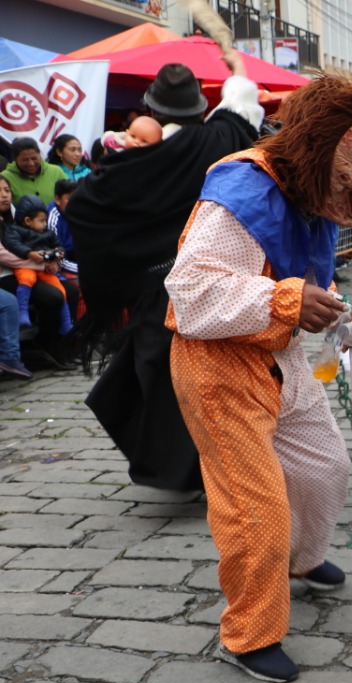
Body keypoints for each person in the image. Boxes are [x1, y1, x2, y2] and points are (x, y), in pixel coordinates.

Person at [164, 75, 352, 683]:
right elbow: (190, 292)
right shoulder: (243, 191)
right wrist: (290, 304)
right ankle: (249, 633)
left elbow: (297, 273)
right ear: (323, 148)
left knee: (324, 467)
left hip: (278, 359)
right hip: (219, 370)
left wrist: (333, 313)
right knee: (256, 512)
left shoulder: (307, 194)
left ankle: (300, 562)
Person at [67, 60, 263, 492]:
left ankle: (189, 468)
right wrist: (236, 76)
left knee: (159, 376)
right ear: (198, 108)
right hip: (209, 280)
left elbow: (83, 208)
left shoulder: (130, 161)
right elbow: (238, 110)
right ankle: (207, 465)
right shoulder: (215, 139)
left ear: (153, 110)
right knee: (198, 377)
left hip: (157, 288)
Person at [1, 195, 72, 337]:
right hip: (9, 272)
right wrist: (34, 257)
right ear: (27, 221)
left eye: (7, 190)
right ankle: (43, 338)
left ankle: (66, 327)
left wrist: (55, 259)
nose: (4, 195)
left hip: (40, 267)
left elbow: (57, 246)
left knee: (68, 290)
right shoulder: (16, 229)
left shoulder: (19, 214)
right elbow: (6, 254)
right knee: (51, 295)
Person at [1, 137, 64, 205]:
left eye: (34, 158)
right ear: (15, 159)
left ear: (40, 155)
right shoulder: (5, 178)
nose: (31, 163)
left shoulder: (56, 171)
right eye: (25, 160)